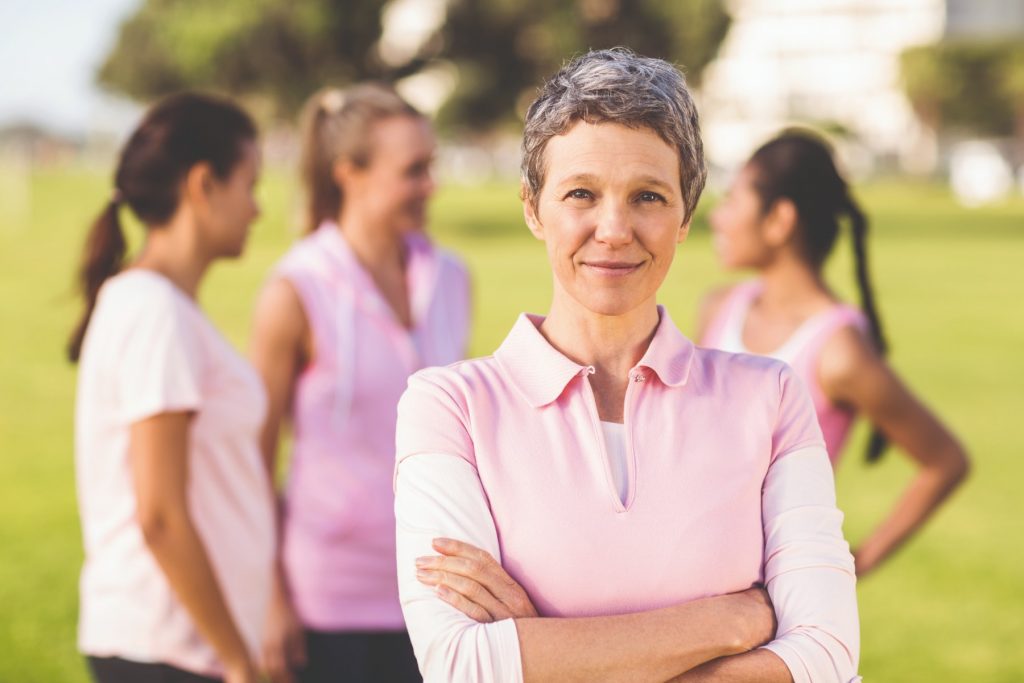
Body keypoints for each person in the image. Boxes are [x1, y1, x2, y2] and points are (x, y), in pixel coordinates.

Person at [394, 49, 860, 683]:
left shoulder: (771, 396)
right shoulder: (450, 407)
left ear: (685, 216)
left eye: (648, 196)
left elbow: (827, 658)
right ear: (534, 207)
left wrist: (545, 650)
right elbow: (460, 664)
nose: (613, 229)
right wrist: (731, 623)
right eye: (581, 193)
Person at [250, 83, 471, 683]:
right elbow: (254, 457)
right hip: (328, 597)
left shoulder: (452, 278)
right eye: (414, 170)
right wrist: (269, 600)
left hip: (435, 597)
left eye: (432, 166)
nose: (432, 185)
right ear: (349, 172)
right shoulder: (295, 291)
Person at [697, 130, 970, 576]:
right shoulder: (719, 308)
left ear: (780, 219)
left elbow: (945, 462)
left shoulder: (838, 351)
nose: (719, 218)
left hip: (772, 597)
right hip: (693, 576)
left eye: (732, 200)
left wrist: (851, 567)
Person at [69, 93, 273, 683]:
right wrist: (238, 662)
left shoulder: (163, 307)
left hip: (185, 649)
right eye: (249, 184)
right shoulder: (153, 310)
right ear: (203, 184)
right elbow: (159, 514)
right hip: (166, 651)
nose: (257, 209)